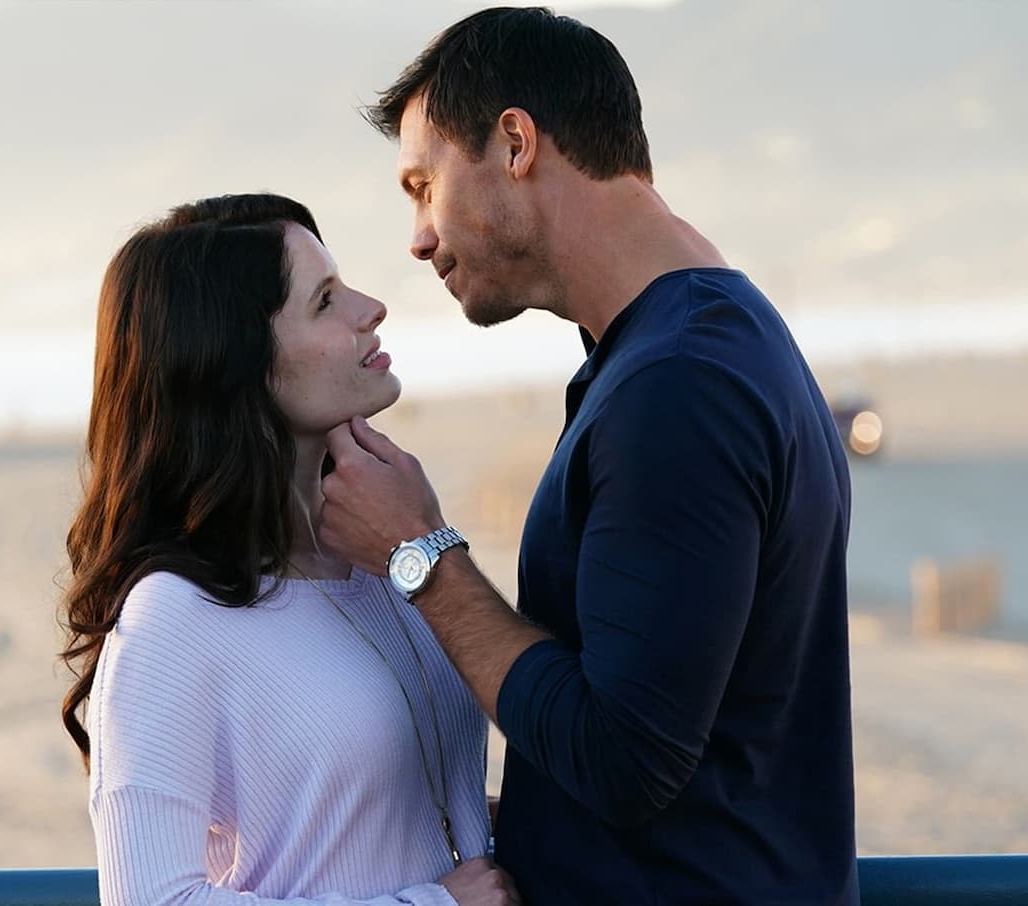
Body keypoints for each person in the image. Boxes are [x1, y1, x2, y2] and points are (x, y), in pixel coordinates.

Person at [316, 7, 859, 904]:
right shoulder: (699, 340)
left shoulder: (679, 383)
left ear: (515, 143)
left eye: (423, 184)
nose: (417, 237)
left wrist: (418, 554)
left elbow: (626, 760)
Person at [60, 193, 518, 905]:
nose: (372, 308)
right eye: (325, 300)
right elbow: (152, 899)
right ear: (236, 363)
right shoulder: (174, 617)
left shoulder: (383, 561)